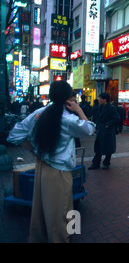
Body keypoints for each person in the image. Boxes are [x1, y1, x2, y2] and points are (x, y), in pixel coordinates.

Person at [7, 81, 95, 243]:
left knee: (41, 209)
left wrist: (33, 150)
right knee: (62, 211)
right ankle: (62, 238)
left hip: (41, 167)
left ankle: (39, 238)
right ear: (69, 98)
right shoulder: (68, 119)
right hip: (60, 172)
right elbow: (89, 129)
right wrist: (79, 110)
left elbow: (14, 135)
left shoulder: (38, 113)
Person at [89, 93, 120, 170]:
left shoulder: (111, 108)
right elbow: (97, 117)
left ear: (105, 100)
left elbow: (116, 118)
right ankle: (96, 163)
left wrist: (108, 125)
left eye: (100, 99)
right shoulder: (100, 107)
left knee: (108, 147)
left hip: (108, 131)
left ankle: (106, 163)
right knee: (98, 147)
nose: (99, 100)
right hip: (100, 129)